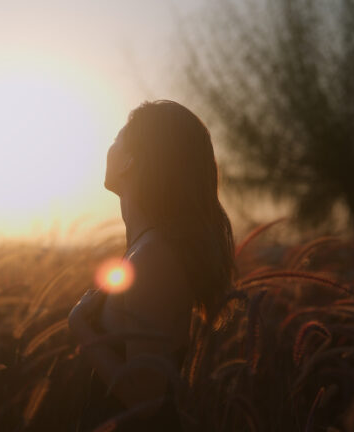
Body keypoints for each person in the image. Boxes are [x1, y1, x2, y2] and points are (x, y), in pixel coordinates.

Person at [68, 100, 237, 431]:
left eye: (118, 138)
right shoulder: (145, 249)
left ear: (130, 160)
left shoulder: (154, 258)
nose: (109, 147)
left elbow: (146, 402)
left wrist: (80, 326)